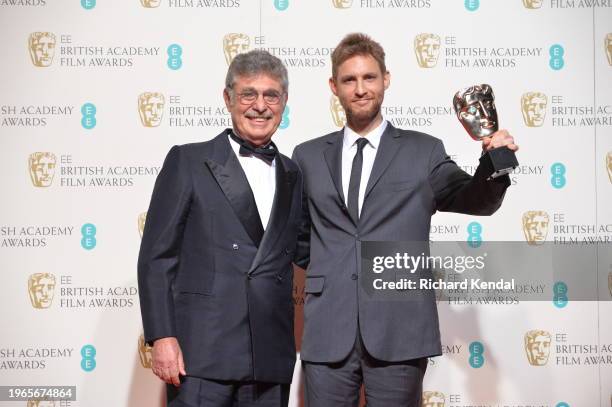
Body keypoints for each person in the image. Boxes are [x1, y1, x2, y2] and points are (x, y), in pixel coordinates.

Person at [292, 33, 518, 406]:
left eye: (369, 78)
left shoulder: (423, 151)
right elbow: (299, 237)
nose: (360, 89)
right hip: (327, 330)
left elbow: (476, 200)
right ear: (334, 86)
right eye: (349, 80)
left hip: (400, 331)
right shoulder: (307, 156)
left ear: (386, 80)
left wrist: (495, 159)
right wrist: (330, 267)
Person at [138, 49, 302, 407]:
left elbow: (307, 249)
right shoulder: (189, 160)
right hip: (201, 356)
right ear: (228, 98)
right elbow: (156, 257)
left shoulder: (293, 173)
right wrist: (162, 336)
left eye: (271, 95)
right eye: (249, 94)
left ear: (284, 102)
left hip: (270, 357)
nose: (260, 105)